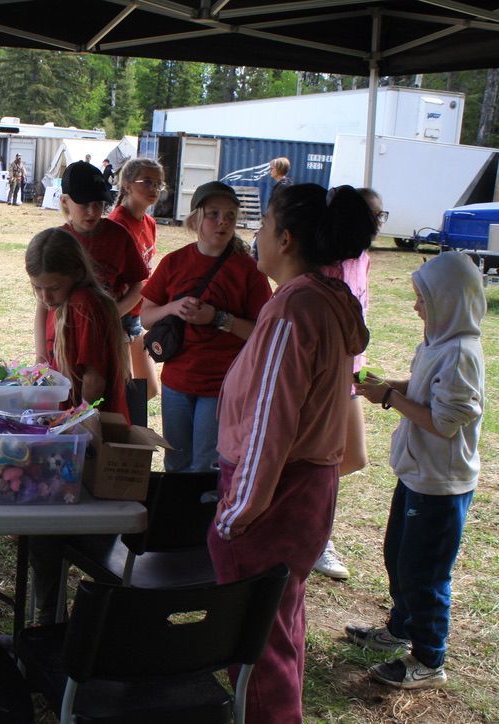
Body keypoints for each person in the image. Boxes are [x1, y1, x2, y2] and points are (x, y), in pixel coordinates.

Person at [211, 184, 374, 724]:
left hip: (274, 497)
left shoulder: (292, 310)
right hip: (306, 489)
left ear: (285, 237)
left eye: (261, 227)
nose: (252, 238)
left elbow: (270, 425)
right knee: (280, 626)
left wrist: (236, 515)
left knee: (257, 643)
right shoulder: (325, 300)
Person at [348, 251, 484, 691]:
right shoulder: (436, 343)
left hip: (440, 487)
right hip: (416, 474)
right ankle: (400, 629)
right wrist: (387, 384)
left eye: (422, 299)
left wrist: (389, 399)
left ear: (448, 300)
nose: (416, 307)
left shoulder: (461, 354)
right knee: (399, 557)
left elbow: (445, 421)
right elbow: (423, 390)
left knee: (424, 573)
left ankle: (429, 658)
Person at [25, 227, 130, 623]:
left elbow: (94, 382)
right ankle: (51, 616)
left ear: (75, 273)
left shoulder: (84, 304)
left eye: (51, 288)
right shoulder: (66, 303)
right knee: (46, 532)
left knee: (50, 530)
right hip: (73, 428)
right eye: (37, 288)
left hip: (89, 436)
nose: (45, 297)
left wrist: (71, 428)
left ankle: (54, 620)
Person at [140, 181, 271, 472]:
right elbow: (145, 318)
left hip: (222, 385)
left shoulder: (248, 271)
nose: (222, 222)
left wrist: (218, 318)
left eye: (230, 216)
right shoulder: (175, 262)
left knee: (204, 466)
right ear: (196, 218)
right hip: (176, 382)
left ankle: (199, 518)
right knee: (175, 461)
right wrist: (173, 308)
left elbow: (263, 335)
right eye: (213, 214)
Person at [313, 187, 384, 580]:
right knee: (325, 459)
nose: (375, 224)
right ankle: (319, 536)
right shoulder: (322, 266)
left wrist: (362, 370)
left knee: (354, 456)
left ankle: (306, 513)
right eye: (370, 217)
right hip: (324, 377)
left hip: (351, 373)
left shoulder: (365, 260)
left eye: (379, 217)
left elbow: (363, 319)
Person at [36, 161, 148, 401]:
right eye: (84, 204)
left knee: (101, 396)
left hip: (102, 339)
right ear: (65, 202)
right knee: (62, 402)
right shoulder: (59, 240)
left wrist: (111, 313)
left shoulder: (118, 236)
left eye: (98, 204)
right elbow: (42, 305)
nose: (92, 211)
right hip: (61, 340)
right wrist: (40, 355)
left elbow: (139, 285)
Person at [108, 157, 166, 400]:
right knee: (126, 393)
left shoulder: (149, 223)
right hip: (118, 314)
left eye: (158, 184)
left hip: (136, 314)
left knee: (148, 389)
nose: (154, 189)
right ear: (128, 185)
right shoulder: (117, 225)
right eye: (148, 182)